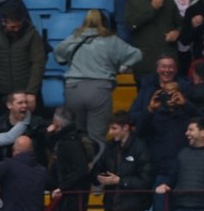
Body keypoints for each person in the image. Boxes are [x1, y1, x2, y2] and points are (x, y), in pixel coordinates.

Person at [54, 9, 143, 150]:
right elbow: (136, 54)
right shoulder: (111, 40)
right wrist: (122, 68)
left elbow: (58, 54)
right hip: (99, 90)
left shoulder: (74, 37)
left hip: (74, 90)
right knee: (97, 138)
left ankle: (78, 170)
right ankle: (96, 170)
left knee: (75, 136)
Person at [95, 111, 154, 211]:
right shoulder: (110, 147)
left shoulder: (141, 148)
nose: (110, 132)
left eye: (114, 128)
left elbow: (146, 181)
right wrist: (98, 177)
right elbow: (98, 168)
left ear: (126, 127)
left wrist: (120, 181)